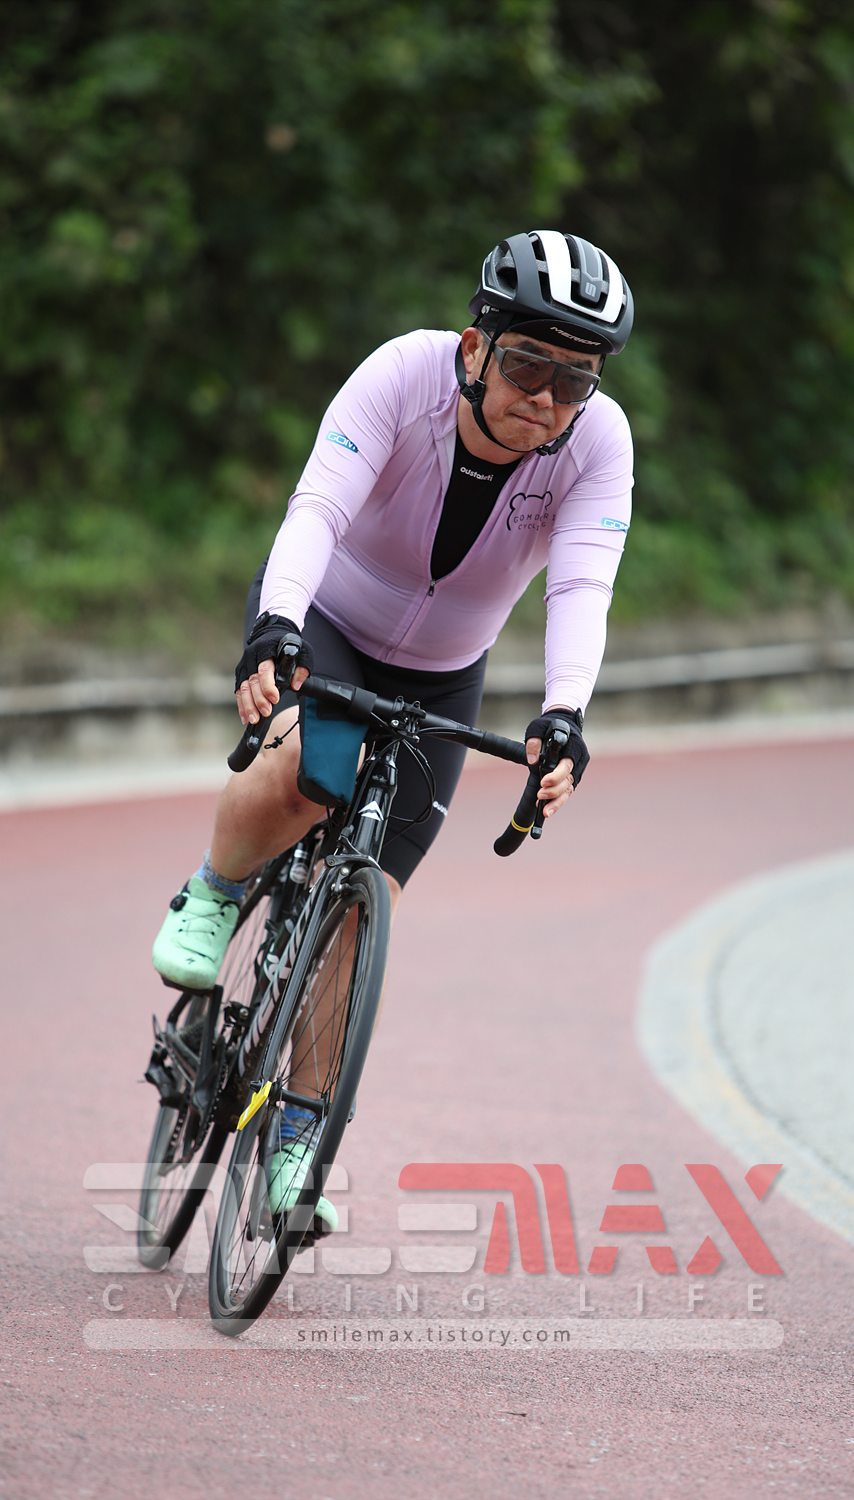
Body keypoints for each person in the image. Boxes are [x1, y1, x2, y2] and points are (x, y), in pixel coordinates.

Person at [152, 230, 635, 1226]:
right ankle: (216, 888)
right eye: (527, 364)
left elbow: (582, 588)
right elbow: (318, 509)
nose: (546, 398)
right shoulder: (404, 375)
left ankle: (299, 1137)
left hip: (447, 669)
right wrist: (277, 626)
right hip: (327, 613)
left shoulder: (598, 444)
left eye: (573, 380)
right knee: (310, 770)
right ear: (475, 347)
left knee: (367, 902)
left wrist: (564, 716)